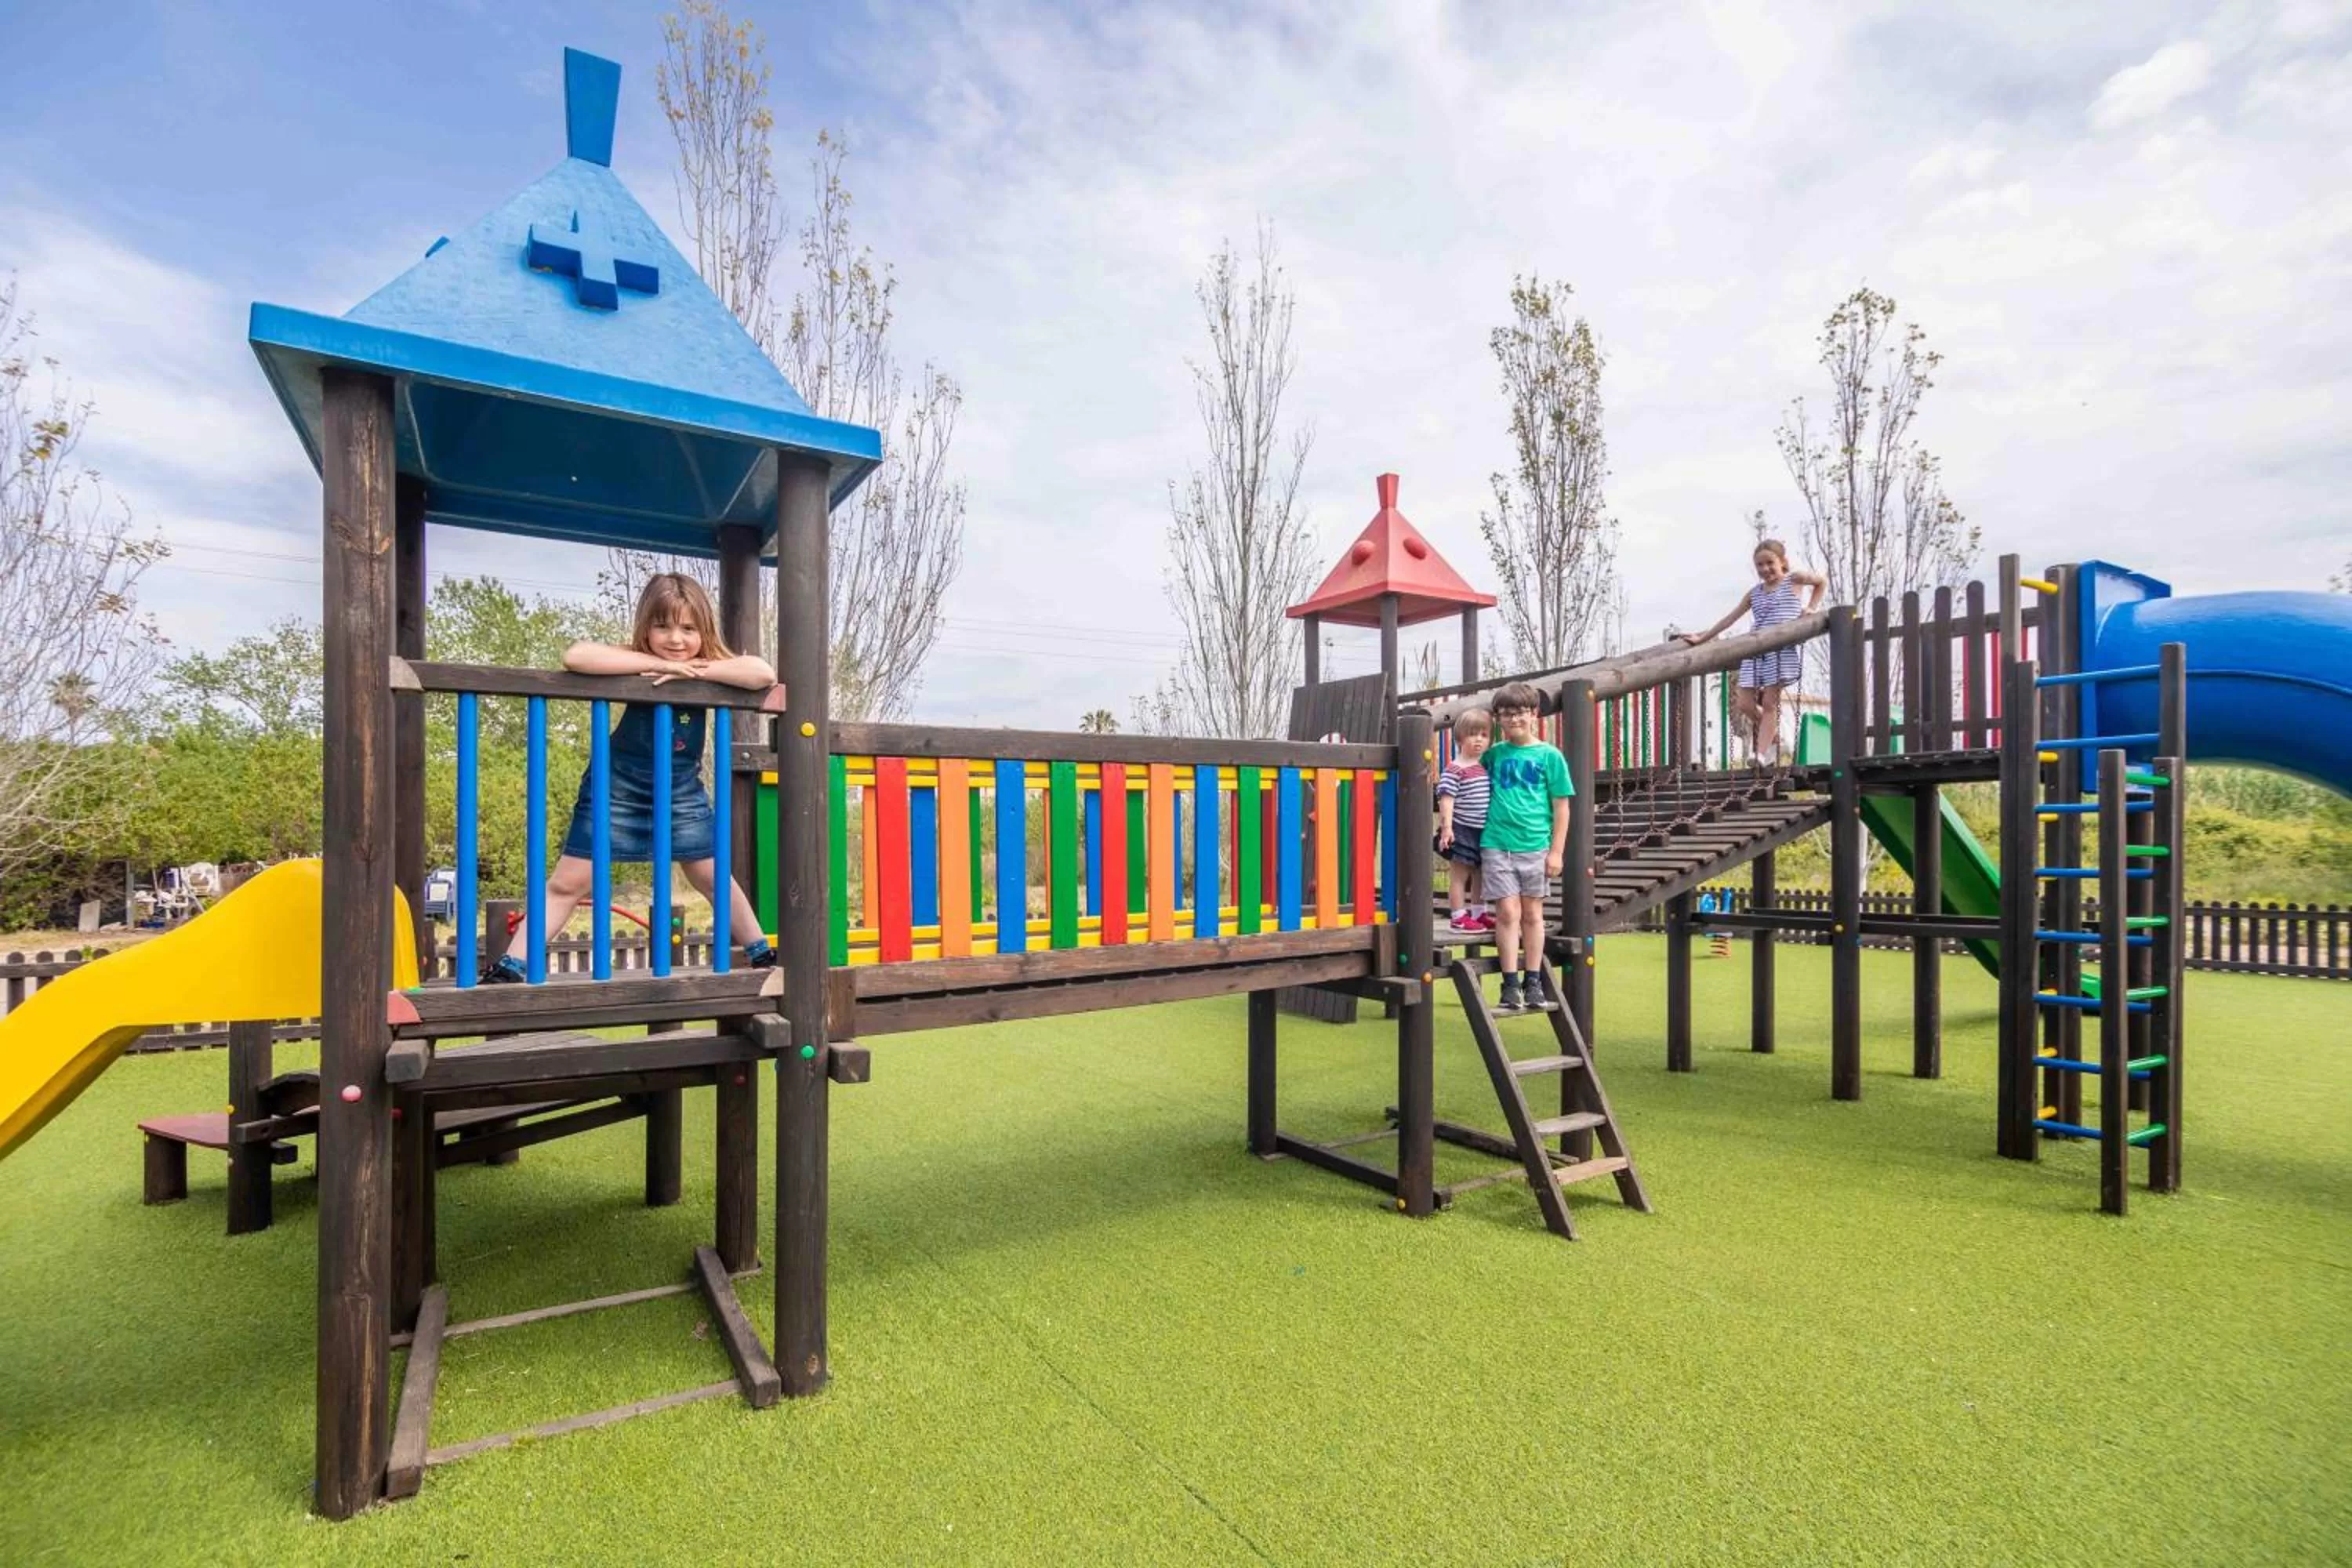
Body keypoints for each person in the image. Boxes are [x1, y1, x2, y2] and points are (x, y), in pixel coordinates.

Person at [484, 572, 775, 982]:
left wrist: (697, 671)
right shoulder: (632, 661)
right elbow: (577, 657)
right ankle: (512, 965)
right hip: (617, 787)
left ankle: (761, 951)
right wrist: (655, 665)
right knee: (570, 881)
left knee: (712, 875)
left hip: (680, 789)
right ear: (646, 628)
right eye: (663, 626)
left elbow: (761, 673)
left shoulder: (712, 666)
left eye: (688, 628)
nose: (676, 639)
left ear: (703, 630)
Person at [1678, 538, 1826, 767]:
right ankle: (1773, 736)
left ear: (1782, 562)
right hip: (1755, 651)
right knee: (1744, 704)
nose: (1765, 569)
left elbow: (1821, 582)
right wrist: (1702, 638)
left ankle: (1760, 754)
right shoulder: (1754, 593)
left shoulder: (1794, 580)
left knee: (1769, 703)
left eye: (1770, 563)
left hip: (1780, 650)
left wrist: (1812, 607)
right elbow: (1730, 618)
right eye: (1760, 565)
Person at [1479, 683, 1573, 1014]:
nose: (1513, 719)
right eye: (1506, 714)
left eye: (1519, 712)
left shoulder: (1550, 756)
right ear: (1498, 719)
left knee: (1532, 914)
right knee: (1507, 912)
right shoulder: (1492, 756)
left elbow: (1561, 806)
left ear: (1534, 714)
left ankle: (1533, 979)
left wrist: (1557, 851)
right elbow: (1468, 781)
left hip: (1535, 845)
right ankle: (1509, 982)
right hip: (1497, 844)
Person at [1436, 709, 1494, 933]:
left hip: (1483, 830)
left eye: (1484, 734)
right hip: (1461, 829)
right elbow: (1446, 800)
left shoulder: (1483, 768)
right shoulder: (1455, 769)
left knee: (1481, 873)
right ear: (1460, 739)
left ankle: (1480, 913)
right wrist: (1446, 828)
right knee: (1460, 875)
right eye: (1472, 734)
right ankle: (1458, 916)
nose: (1478, 739)